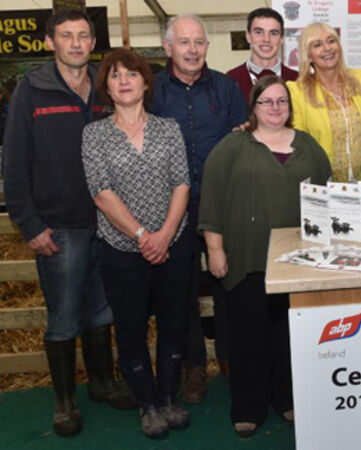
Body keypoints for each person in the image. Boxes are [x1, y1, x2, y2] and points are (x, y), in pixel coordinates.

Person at [1, 9, 135, 436]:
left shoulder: (105, 86)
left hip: (108, 222)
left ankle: (101, 382)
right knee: (63, 316)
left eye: (83, 36)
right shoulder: (31, 90)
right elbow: (14, 162)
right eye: (66, 35)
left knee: (101, 310)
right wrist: (29, 224)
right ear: (50, 42)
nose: (76, 43)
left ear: (93, 43)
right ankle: (63, 402)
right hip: (59, 225)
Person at [198, 75, 332, 437]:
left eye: (282, 101)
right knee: (247, 336)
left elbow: (328, 196)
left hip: (298, 262)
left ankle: (286, 397)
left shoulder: (308, 146)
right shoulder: (232, 147)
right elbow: (212, 198)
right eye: (267, 101)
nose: (275, 107)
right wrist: (215, 248)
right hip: (248, 259)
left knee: (288, 335)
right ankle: (248, 408)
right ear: (253, 107)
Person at [82, 48, 192, 439]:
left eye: (132, 74)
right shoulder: (94, 135)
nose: (124, 81)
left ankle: (169, 398)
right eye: (115, 75)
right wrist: (143, 236)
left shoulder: (169, 128)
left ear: (146, 83)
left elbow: (182, 183)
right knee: (130, 330)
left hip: (172, 245)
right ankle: (147, 405)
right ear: (107, 88)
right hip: (122, 250)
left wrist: (165, 234)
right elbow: (102, 193)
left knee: (173, 324)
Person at [151, 14, 247, 403]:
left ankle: (231, 356)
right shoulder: (153, 91)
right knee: (182, 289)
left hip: (222, 203)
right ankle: (194, 364)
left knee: (229, 282)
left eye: (199, 42)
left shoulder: (226, 88)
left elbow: (242, 142)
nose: (192, 50)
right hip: (171, 207)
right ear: (168, 47)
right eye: (184, 42)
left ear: (207, 46)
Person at [287, 22, 361, 182]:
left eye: (331, 41)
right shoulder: (297, 91)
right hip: (324, 183)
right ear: (308, 55)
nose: (327, 48)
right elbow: (299, 145)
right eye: (317, 45)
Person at [227, 7, 298, 102]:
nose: (266, 39)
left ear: (281, 39)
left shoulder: (298, 80)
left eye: (273, 33)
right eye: (259, 32)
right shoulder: (230, 80)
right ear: (248, 36)